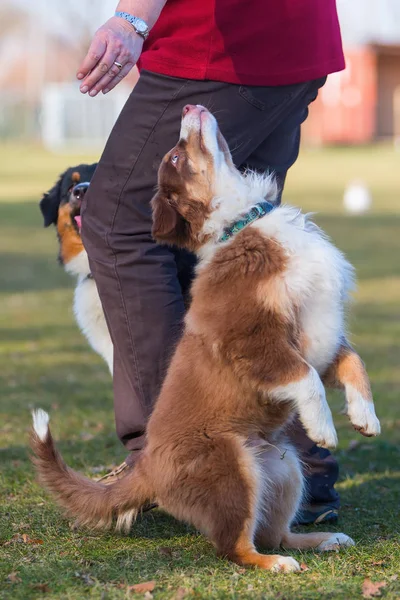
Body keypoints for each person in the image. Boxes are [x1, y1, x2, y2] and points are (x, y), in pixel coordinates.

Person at [80, 0, 343, 525]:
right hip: (294, 39)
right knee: (234, 253)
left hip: (220, 46)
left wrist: (132, 19)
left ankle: (180, 459)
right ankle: (291, 468)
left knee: (119, 223)